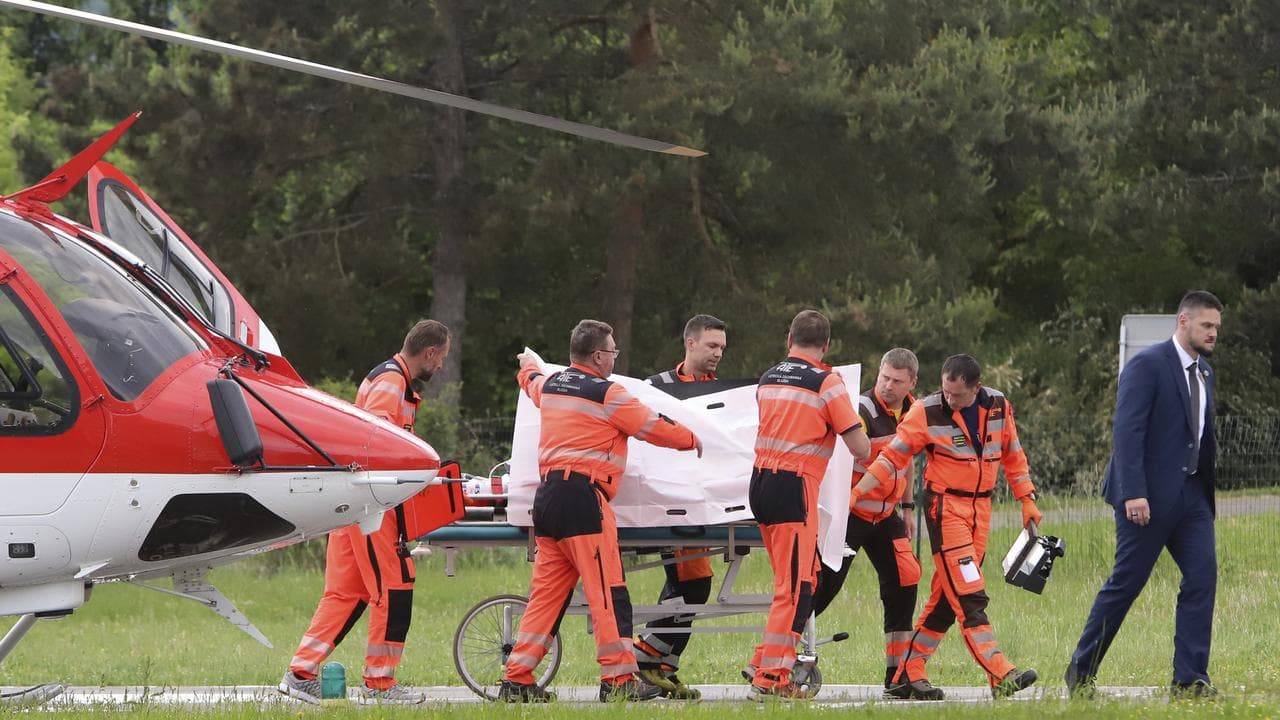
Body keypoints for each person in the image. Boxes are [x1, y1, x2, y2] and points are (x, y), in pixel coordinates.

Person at [500, 319, 704, 704]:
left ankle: (517, 678)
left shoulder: (552, 386)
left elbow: (529, 382)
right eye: (612, 352)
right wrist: (692, 438)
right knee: (608, 593)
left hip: (547, 503)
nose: (614, 358)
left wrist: (526, 364)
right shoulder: (607, 393)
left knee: (547, 596)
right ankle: (618, 679)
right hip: (583, 502)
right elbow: (651, 426)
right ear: (597, 356)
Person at [279, 319, 451, 705]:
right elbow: (376, 446)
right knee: (393, 586)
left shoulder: (390, 379)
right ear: (429, 352)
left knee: (346, 593)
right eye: (441, 358)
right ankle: (380, 685)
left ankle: (300, 675)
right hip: (371, 510)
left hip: (355, 507)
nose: (440, 366)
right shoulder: (391, 384)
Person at [1065, 291, 1223, 699]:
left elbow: (1200, 436)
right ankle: (1081, 672)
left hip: (1192, 500)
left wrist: (1205, 492)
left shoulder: (1204, 372)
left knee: (1203, 578)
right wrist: (1134, 492)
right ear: (1183, 322)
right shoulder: (1148, 365)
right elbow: (1127, 431)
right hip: (1145, 500)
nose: (1213, 334)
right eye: (1207, 325)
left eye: (1217, 328)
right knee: (1127, 583)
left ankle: (1189, 681)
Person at [865, 353, 1042, 700]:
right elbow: (893, 457)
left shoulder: (998, 406)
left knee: (948, 598)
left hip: (981, 510)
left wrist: (1027, 498)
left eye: (957, 395)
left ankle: (906, 671)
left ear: (976, 388)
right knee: (969, 593)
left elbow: (1013, 454)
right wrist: (859, 492)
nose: (949, 399)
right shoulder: (926, 411)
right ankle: (1000, 672)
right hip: (945, 508)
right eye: (945, 391)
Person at [747, 309, 872, 701]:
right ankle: (770, 680)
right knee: (796, 588)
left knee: (802, 577)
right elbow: (859, 448)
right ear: (827, 346)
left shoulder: (768, 378)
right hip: (794, 490)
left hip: (761, 486)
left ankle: (766, 660)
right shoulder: (827, 382)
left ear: (789, 339)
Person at [811, 348, 922, 692]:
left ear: (911, 383)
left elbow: (907, 461)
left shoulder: (914, 413)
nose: (888, 385)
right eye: (884, 377)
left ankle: (898, 674)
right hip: (850, 512)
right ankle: (773, 661)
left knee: (906, 580)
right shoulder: (861, 409)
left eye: (897, 381)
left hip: (887, 515)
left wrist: (908, 509)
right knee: (824, 584)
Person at [633, 314, 727, 700]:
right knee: (692, 582)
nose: (718, 353)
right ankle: (647, 654)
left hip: (705, 504)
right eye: (711, 346)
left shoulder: (724, 391)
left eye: (722, 347)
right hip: (668, 502)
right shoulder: (656, 388)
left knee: (689, 583)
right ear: (689, 344)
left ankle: (660, 666)